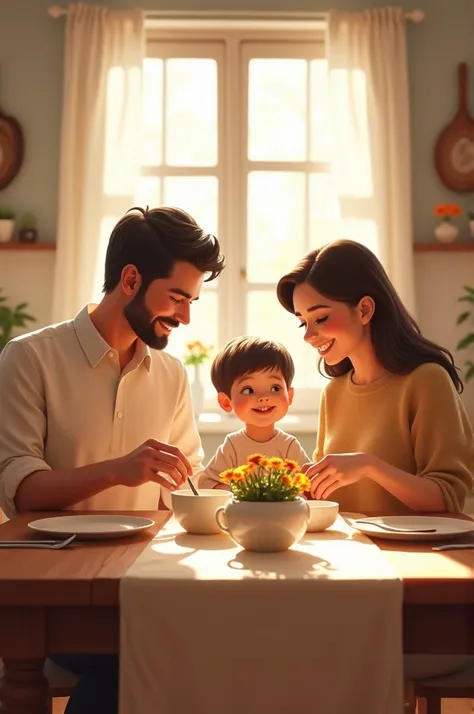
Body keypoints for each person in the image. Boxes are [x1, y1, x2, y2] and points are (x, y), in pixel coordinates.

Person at [0, 206, 225, 714]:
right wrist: (117, 471)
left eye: (192, 301)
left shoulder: (170, 375)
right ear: (130, 279)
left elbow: (183, 491)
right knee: (141, 651)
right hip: (56, 590)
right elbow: (18, 491)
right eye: (178, 297)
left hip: (150, 583)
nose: (186, 316)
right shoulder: (29, 358)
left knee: (226, 636)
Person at [276, 239, 474, 695]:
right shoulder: (335, 393)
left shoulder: (427, 381)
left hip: (419, 593)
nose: (309, 335)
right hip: (352, 582)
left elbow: (448, 498)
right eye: (303, 322)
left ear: (365, 309)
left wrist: (370, 466)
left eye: (320, 318)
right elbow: (333, 504)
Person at [198, 336, 309, 489]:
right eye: (248, 390)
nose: (263, 398)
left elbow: (309, 484)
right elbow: (206, 483)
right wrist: (235, 491)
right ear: (225, 402)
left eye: (275, 388)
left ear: (289, 396)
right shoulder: (232, 446)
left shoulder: (289, 446)